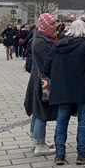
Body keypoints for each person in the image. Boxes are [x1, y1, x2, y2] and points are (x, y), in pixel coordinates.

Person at [44, 20, 85, 165]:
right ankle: (82, 154)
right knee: (84, 121)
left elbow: (46, 69)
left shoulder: (57, 46)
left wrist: (51, 85)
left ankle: (60, 154)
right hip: (84, 89)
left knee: (61, 121)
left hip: (62, 91)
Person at [23, 13, 58, 157]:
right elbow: (48, 64)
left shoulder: (41, 38)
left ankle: (36, 139)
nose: (55, 27)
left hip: (37, 80)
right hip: (43, 82)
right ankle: (39, 144)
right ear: (45, 26)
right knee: (42, 112)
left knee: (38, 111)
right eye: (52, 24)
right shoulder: (42, 42)